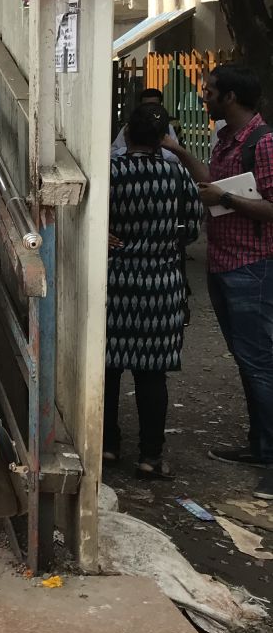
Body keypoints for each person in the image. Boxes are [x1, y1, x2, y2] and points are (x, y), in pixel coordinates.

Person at [166, 64, 273, 498]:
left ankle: (268, 451)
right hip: (224, 264)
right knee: (248, 360)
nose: (204, 96)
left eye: (209, 91)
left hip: (253, 266)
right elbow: (212, 183)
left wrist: (225, 199)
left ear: (229, 97)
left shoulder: (263, 144)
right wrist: (177, 150)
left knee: (260, 361)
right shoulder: (227, 140)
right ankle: (259, 444)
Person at [104, 101, 203, 479]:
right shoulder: (177, 177)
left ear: (126, 133)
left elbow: (92, 221)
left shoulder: (111, 174)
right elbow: (191, 229)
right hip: (162, 285)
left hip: (116, 282)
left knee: (110, 368)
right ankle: (150, 456)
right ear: (163, 139)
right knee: (151, 375)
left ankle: (109, 447)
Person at [112, 86, 183, 159]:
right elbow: (113, 152)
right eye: (146, 106)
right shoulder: (129, 127)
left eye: (154, 106)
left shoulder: (167, 127)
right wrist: (132, 150)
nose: (150, 109)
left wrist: (160, 150)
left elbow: (177, 156)